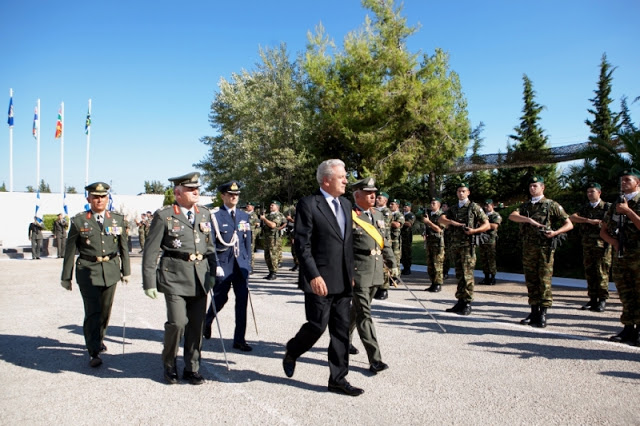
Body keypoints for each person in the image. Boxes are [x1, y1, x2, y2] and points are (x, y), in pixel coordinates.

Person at [283, 159, 364, 397]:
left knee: (340, 331)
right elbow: (302, 245)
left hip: (342, 280)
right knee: (317, 326)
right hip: (319, 280)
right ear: (326, 180)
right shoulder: (309, 204)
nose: (347, 181)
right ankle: (293, 350)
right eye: (342, 177)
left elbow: (346, 245)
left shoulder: (346, 204)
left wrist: (350, 274)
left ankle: (338, 379)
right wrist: (313, 276)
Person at [142, 172, 216, 385]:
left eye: (197, 189)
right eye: (191, 189)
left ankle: (192, 367)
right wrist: (149, 282)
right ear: (178, 193)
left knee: (196, 325)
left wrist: (212, 273)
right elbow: (151, 250)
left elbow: (210, 248)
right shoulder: (165, 215)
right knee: (177, 322)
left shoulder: (204, 214)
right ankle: (169, 364)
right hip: (173, 276)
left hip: (199, 276)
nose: (196, 192)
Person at [60, 182, 131, 368]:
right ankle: (93, 351)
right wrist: (66, 277)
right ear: (88, 199)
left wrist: (127, 271)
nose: (99, 200)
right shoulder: (79, 221)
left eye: (103, 197)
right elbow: (70, 250)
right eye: (95, 197)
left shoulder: (117, 219)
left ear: (107, 199)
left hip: (111, 269)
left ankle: (98, 339)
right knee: (93, 311)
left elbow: (123, 247)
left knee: (105, 311)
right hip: (88, 270)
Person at [508, 175, 573, 328]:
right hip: (529, 249)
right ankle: (534, 311)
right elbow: (512, 216)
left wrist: (555, 233)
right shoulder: (525, 207)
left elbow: (569, 224)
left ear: (542, 188)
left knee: (544, 280)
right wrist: (528, 220)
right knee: (531, 280)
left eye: (535, 186)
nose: (532, 188)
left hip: (545, 249)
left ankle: (543, 313)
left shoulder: (551, 205)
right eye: (530, 186)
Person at [348, 178, 398, 374]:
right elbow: (341, 248)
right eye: (368, 192)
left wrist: (393, 264)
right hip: (358, 272)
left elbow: (384, 241)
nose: (373, 195)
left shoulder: (378, 214)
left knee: (358, 310)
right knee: (364, 315)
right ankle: (375, 359)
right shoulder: (348, 215)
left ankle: (343, 339)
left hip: (376, 271)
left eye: (374, 192)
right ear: (356, 195)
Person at [204, 181, 253, 351]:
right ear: (223, 196)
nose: (234, 197)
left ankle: (239, 339)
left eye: (236, 195)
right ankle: (207, 320)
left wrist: (248, 263)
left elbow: (247, 240)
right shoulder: (215, 216)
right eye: (230, 194)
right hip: (224, 265)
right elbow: (210, 243)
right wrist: (215, 264)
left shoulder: (244, 216)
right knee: (220, 298)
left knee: (242, 302)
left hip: (240, 266)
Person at [600, 168, 640, 345]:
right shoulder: (617, 203)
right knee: (625, 293)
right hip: (622, 255)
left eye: (628, 180)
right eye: (622, 180)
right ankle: (628, 328)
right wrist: (614, 243)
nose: (623, 183)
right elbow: (604, 230)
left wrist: (628, 211)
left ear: (638, 183)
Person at [438, 182, 489, 315]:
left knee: (467, 275)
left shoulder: (474, 207)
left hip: (467, 246)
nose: (461, 193)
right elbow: (441, 219)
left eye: (463, 191)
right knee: (459, 274)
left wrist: (474, 231)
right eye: (459, 191)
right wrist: (451, 222)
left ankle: (467, 302)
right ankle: (460, 301)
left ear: (468, 192)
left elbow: (486, 224)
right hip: (456, 245)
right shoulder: (454, 208)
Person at [569, 183, 612, 312]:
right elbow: (572, 217)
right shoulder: (585, 208)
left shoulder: (607, 207)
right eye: (588, 192)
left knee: (602, 272)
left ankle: (602, 300)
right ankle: (592, 299)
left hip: (602, 244)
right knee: (590, 272)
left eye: (592, 191)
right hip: (588, 244)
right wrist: (588, 220)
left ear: (599, 193)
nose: (589, 194)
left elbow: (613, 222)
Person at [421, 197, 446, 292]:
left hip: (438, 243)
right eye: (431, 203)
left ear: (439, 205)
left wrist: (428, 222)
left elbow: (439, 229)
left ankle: (438, 283)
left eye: (434, 203)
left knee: (437, 264)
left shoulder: (442, 215)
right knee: (430, 264)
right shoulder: (428, 215)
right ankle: (432, 282)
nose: (431, 205)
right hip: (430, 242)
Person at [478, 199, 502, 285]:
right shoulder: (483, 215)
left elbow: (494, 226)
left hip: (491, 239)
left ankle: (493, 277)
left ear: (492, 206)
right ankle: (486, 277)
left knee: (491, 259)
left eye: (488, 205)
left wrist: (484, 225)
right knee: (484, 259)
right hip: (482, 239)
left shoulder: (496, 215)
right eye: (485, 205)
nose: (487, 207)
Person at [373, 191, 392, 300]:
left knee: (384, 265)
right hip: (374, 240)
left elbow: (381, 225)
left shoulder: (386, 212)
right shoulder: (374, 210)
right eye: (377, 198)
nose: (377, 199)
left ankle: (384, 289)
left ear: (385, 201)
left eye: (380, 198)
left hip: (382, 241)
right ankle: (377, 287)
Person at [260, 200, 286, 280]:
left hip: (273, 238)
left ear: (277, 207)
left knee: (273, 255)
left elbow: (273, 225)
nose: (271, 206)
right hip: (267, 237)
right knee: (267, 255)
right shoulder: (268, 215)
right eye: (270, 205)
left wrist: (264, 219)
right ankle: (270, 272)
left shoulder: (278, 215)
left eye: (272, 205)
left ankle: (274, 272)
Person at [245, 201, 261, 273]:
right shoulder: (244, 214)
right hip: (244, 234)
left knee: (250, 250)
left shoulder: (254, 215)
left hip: (251, 234)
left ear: (252, 207)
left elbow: (257, 224)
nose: (247, 207)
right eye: (247, 205)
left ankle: (251, 266)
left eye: (249, 205)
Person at [400, 202, 416, 274]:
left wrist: (401, 221)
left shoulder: (411, 215)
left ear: (410, 208)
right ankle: (404, 266)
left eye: (406, 207)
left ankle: (407, 267)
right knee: (402, 252)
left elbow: (409, 224)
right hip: (400, 236)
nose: (405, 208)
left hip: (407, 236)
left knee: (407, 252)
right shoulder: (401, 214)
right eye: (404, 206)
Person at [285, 203, 299, 271]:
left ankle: (298, 264)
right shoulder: (295, 214)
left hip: (298, 235)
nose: (295, 208)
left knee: (296, 250)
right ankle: (296, 264)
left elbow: (299, 223)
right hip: (293, 233)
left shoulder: (301, 214)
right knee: (293, 251)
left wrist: (291, 220)